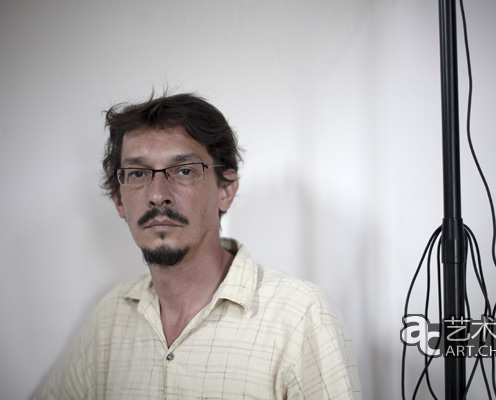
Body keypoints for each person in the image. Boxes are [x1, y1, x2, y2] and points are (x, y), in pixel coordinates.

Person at [33, 92, 362, 399]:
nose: (157, 194)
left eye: (184, 170)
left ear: (226, 190)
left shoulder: (301, 316)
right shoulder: (111, 315)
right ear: (119, 200)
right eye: (138, 174)